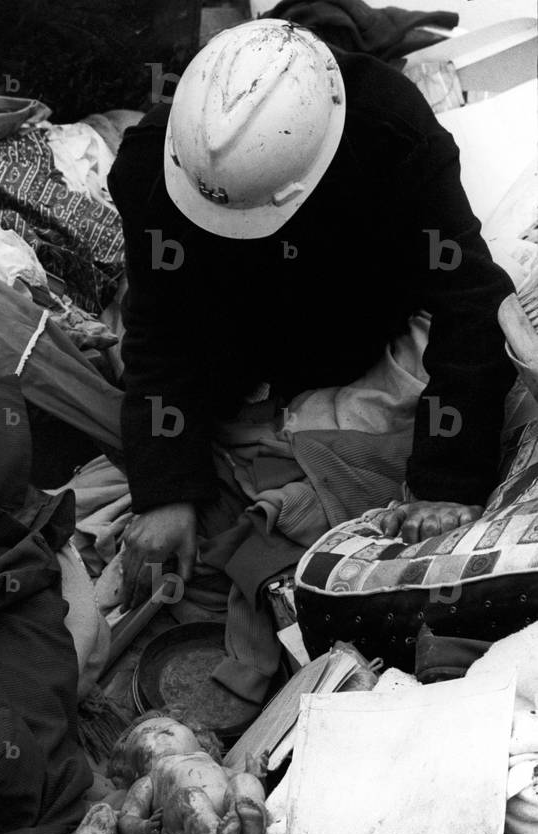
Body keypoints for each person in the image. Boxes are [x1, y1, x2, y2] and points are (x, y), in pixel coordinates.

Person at [108, 18, 516, 610]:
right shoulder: (152, 168)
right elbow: (158, 328)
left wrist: (445, 484)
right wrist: (164, 489)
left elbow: (471, 302)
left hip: (364, 322)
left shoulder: (390, 132)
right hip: (237, 344)